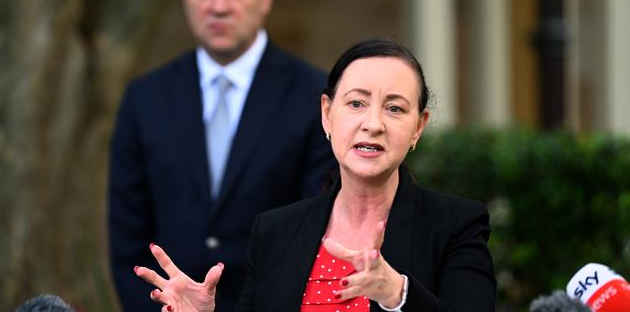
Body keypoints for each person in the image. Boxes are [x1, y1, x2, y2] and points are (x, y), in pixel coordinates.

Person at [133, 38, 497, 312]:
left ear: (418, 127)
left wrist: (397, 293)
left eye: (395, 108)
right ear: (327, 114)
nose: (373, 124)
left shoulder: (456, 226)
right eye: (356, 103)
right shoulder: (276, 230)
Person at [107, 0, 335, 311]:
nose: (218, 5)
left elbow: (317, 235)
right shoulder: (144, 98)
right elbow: (127, 244)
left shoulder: (316, 98)